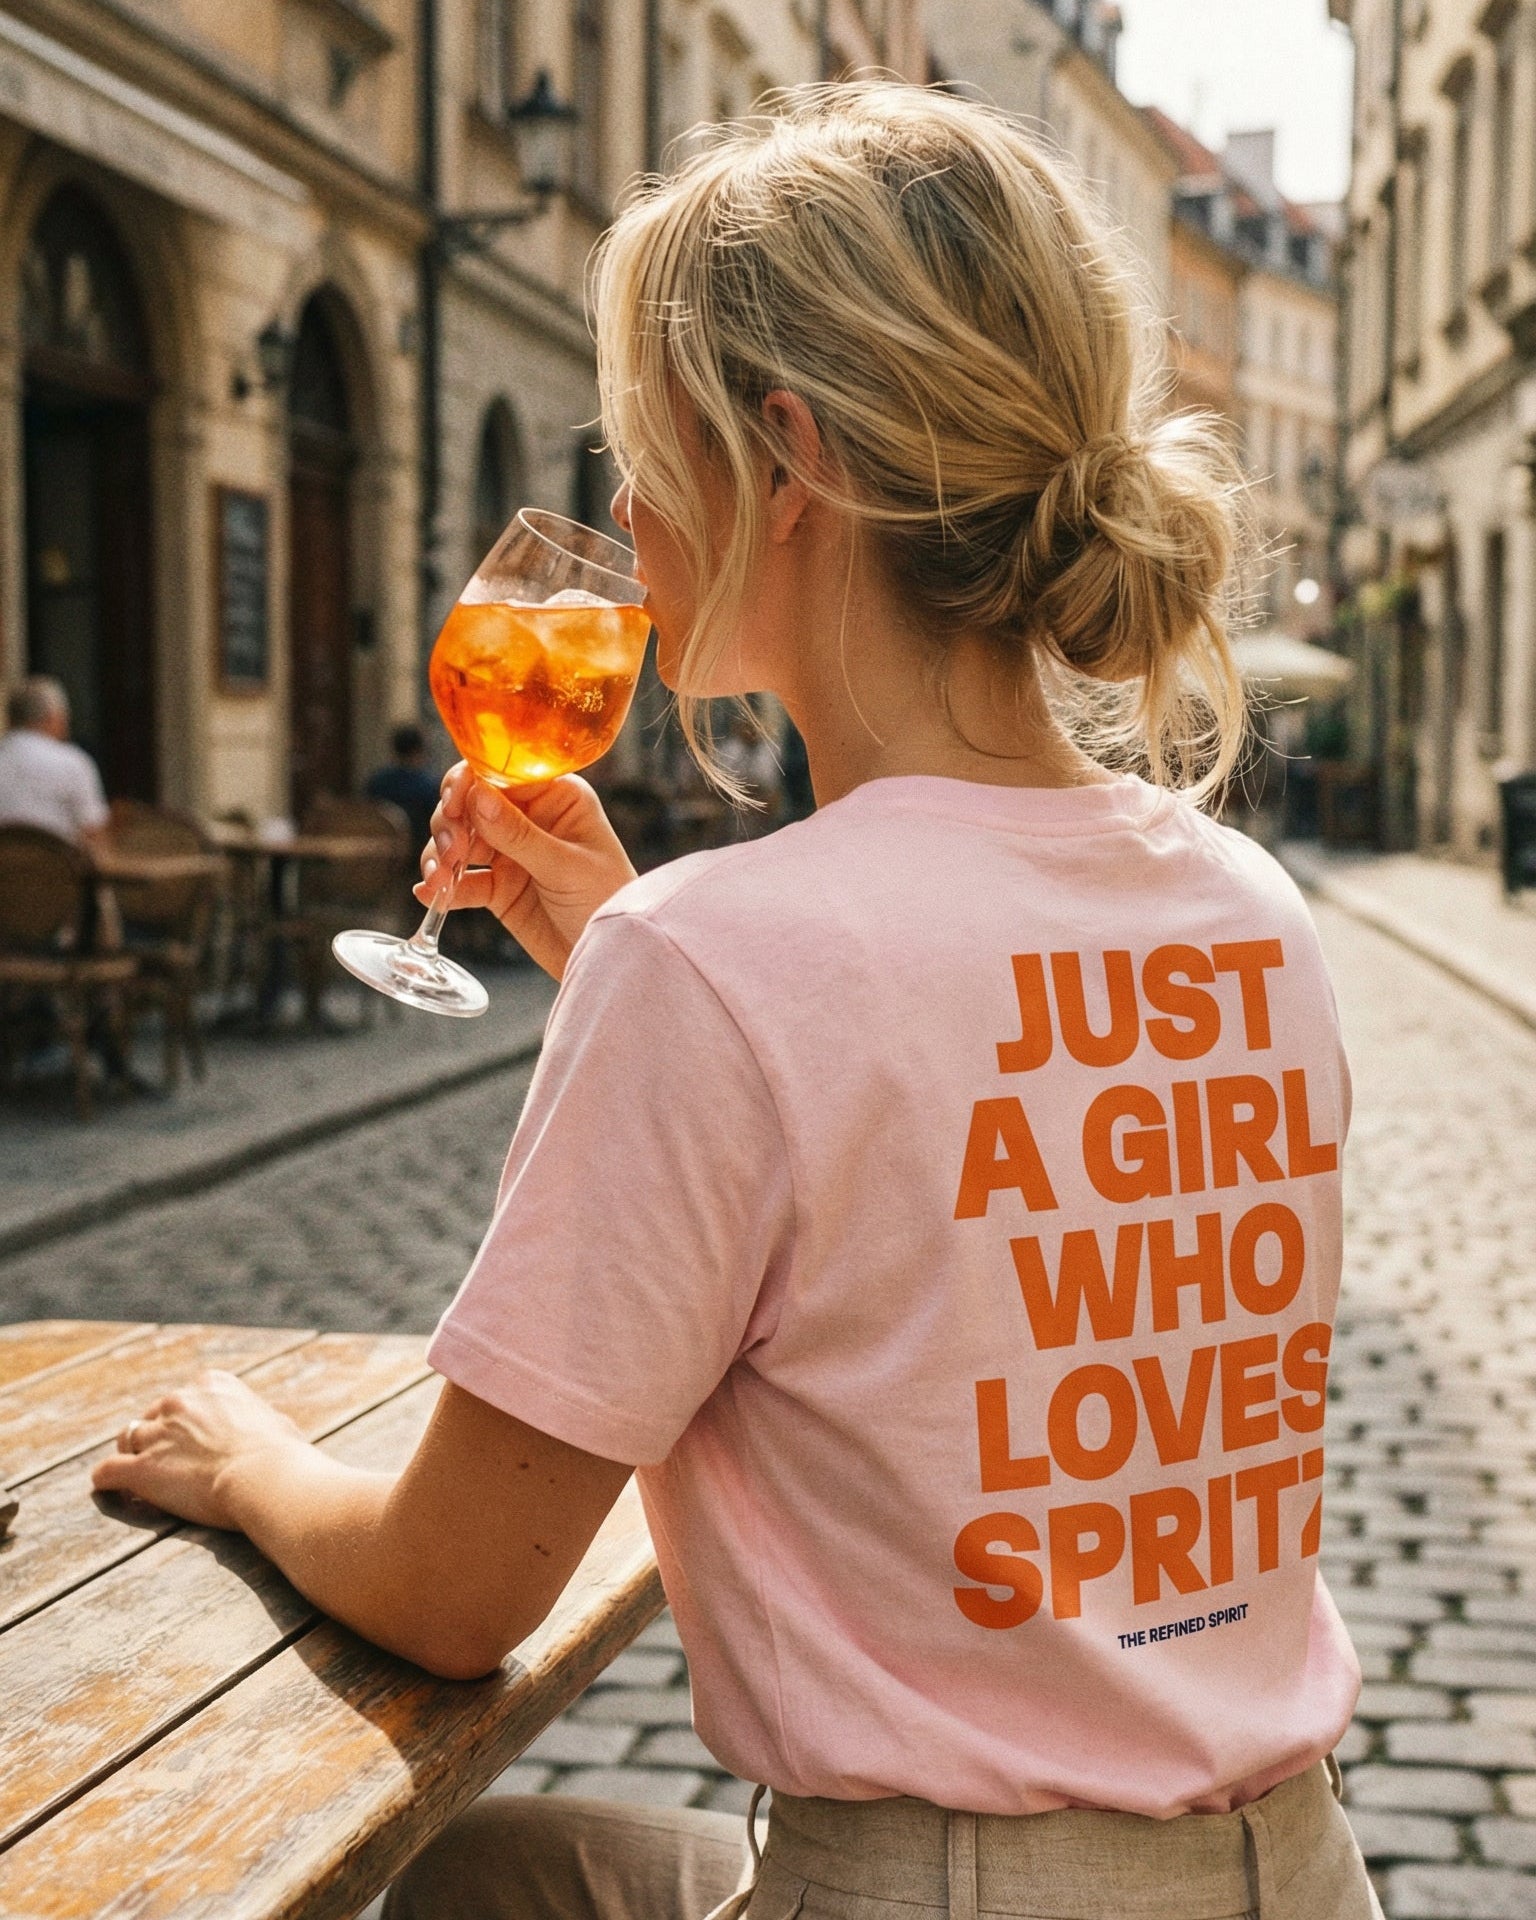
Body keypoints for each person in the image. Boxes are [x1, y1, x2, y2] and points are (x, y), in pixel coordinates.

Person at [93, 87, 1378, 1920]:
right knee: (527, 1872)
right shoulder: (1246, 904)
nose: (621, 506)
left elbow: (455, 1598)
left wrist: (252, 1465)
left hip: (939, 1894)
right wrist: (622, 940)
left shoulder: (723, 962)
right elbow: (933, 1157)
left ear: (791, 461)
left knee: (443, 1882)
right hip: (1291, 1876)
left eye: (642, 440)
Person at [0, 676, 112, 853]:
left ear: (10, 719)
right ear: (53, 717)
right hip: (59, 877)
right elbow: (94, 835)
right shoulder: (73, 762)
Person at [366, 723, 440, 853]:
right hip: (416, 855)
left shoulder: (376, 782)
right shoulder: (427, 785)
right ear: (419, 750)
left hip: (378, 854)